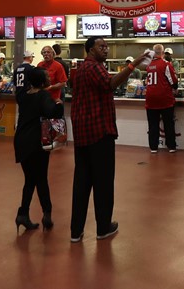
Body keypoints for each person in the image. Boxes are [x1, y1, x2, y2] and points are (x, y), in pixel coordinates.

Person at [69, 38, 151, 243]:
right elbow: (110, 84)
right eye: (101, 47)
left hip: (82, 134)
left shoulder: (80, 69)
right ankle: (103, 227)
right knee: (103, 183)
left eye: (106, 46)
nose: (105, 49)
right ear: (90, 49)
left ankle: (75, 231)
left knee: (81, 183)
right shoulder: (93, 67)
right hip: (99, 132)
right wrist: (133, 64)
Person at [13, 67, 63, 231]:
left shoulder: (24, 95)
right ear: (42, 81)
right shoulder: (43, 95)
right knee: (41, 178)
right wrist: (59, 104)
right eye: (47, 76)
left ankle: (23, 214)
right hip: (36, 141)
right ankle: (47, 213)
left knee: (30, 179)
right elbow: (52, 112)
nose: (50, 77)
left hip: (21, 140)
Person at [144, 43, 179, 154]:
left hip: (150, 99)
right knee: (168, 123)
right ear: (162, 53)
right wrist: (175, 88)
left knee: (152, 124)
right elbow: (173, 80)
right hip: (165, 98)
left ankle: (153, 147)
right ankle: (171, 146)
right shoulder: (166, 64)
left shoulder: (149, 65)